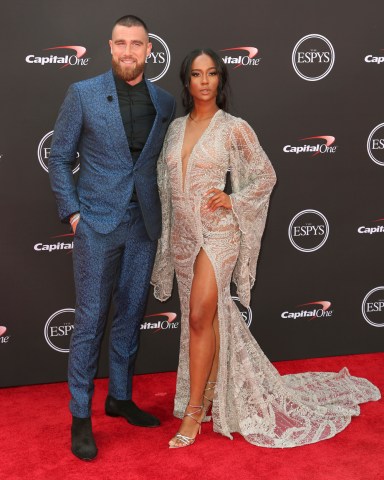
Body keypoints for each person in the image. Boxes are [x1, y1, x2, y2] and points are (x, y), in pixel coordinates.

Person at [151, 48, 381, 449]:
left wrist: (232, 200)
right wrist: (169, 243)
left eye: (211, 74)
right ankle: (207, 392)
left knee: (201, 312)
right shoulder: (173, 130)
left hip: (219, 235)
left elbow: (264, 175)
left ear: (220, 80)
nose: (204, 81)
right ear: (187, 82)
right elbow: (165, 189)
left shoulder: (233, 127)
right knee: (204, 319)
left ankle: (192, 412)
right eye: (196, 74)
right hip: (184, 238)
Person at [48, 15, 176, 460]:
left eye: (136, 44)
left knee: (130, 315)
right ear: (110, 47)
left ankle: (119, 397)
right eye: (120, 43)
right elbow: (60, 157)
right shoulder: (82, 93)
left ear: (148, 50)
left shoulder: (163, 103)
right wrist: (73, 214)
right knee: (89, 321)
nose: (128, 51)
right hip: (96, 226)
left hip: (143, 226)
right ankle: (80, 416)